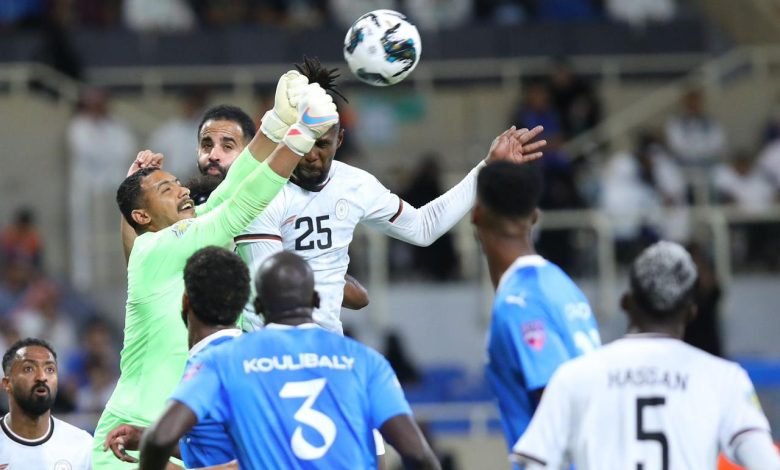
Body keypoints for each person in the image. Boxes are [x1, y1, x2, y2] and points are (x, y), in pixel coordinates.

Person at [91, 72, 340, 469]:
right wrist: (300, 136)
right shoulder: (156, 247)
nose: (183, 190)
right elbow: (239, 207)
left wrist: (276, 124)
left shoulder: (179, 238)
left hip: (180, 441)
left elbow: (230, 189)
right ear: (143, 216)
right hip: (127, 444)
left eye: (178, 183)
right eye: (167, 190)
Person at [238, 57, 547, 334]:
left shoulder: (355, 184)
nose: (311, 154)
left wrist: (486, 167)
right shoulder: (262, 190)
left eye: (323, 144)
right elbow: (267, 284)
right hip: (266, 345)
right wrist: (333, 283)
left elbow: (423, 227)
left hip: (327, 346)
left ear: (339, 140)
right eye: (305, 141)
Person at [139, 251, 441, 470]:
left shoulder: (226, 361)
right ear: (316, 300)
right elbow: (417, 453)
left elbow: (160, 437)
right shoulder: (365, 362)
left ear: (257, 305)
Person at [513, 241, 780, 470]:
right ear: (691, 312)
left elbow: (534, 463)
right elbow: (766, 463)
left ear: (626, 302)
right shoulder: (724, 379)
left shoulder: (574, 376)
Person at [122, 103, 370, 310]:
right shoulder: (185, 211)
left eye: (228, 146)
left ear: (250, 154)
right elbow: (138, 263)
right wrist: (133, 195)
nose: (214, 155)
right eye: (206, 145)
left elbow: (355, 296)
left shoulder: (280, 205)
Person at [471, 161, 600, 453]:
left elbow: (558, 409)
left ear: (476, 213)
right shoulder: (563, 286)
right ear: (535, 216)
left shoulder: (519, 304)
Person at [103, 246, 250, 468]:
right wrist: (142, 437)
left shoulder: (211, 363)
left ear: (185, 301)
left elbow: (160, 439)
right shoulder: (245, 354)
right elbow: (217, 445)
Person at [0, 338, 92, 469]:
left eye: (49, 369)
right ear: (7, 383)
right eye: (29, 369)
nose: (42, 377)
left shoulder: (83, 446)